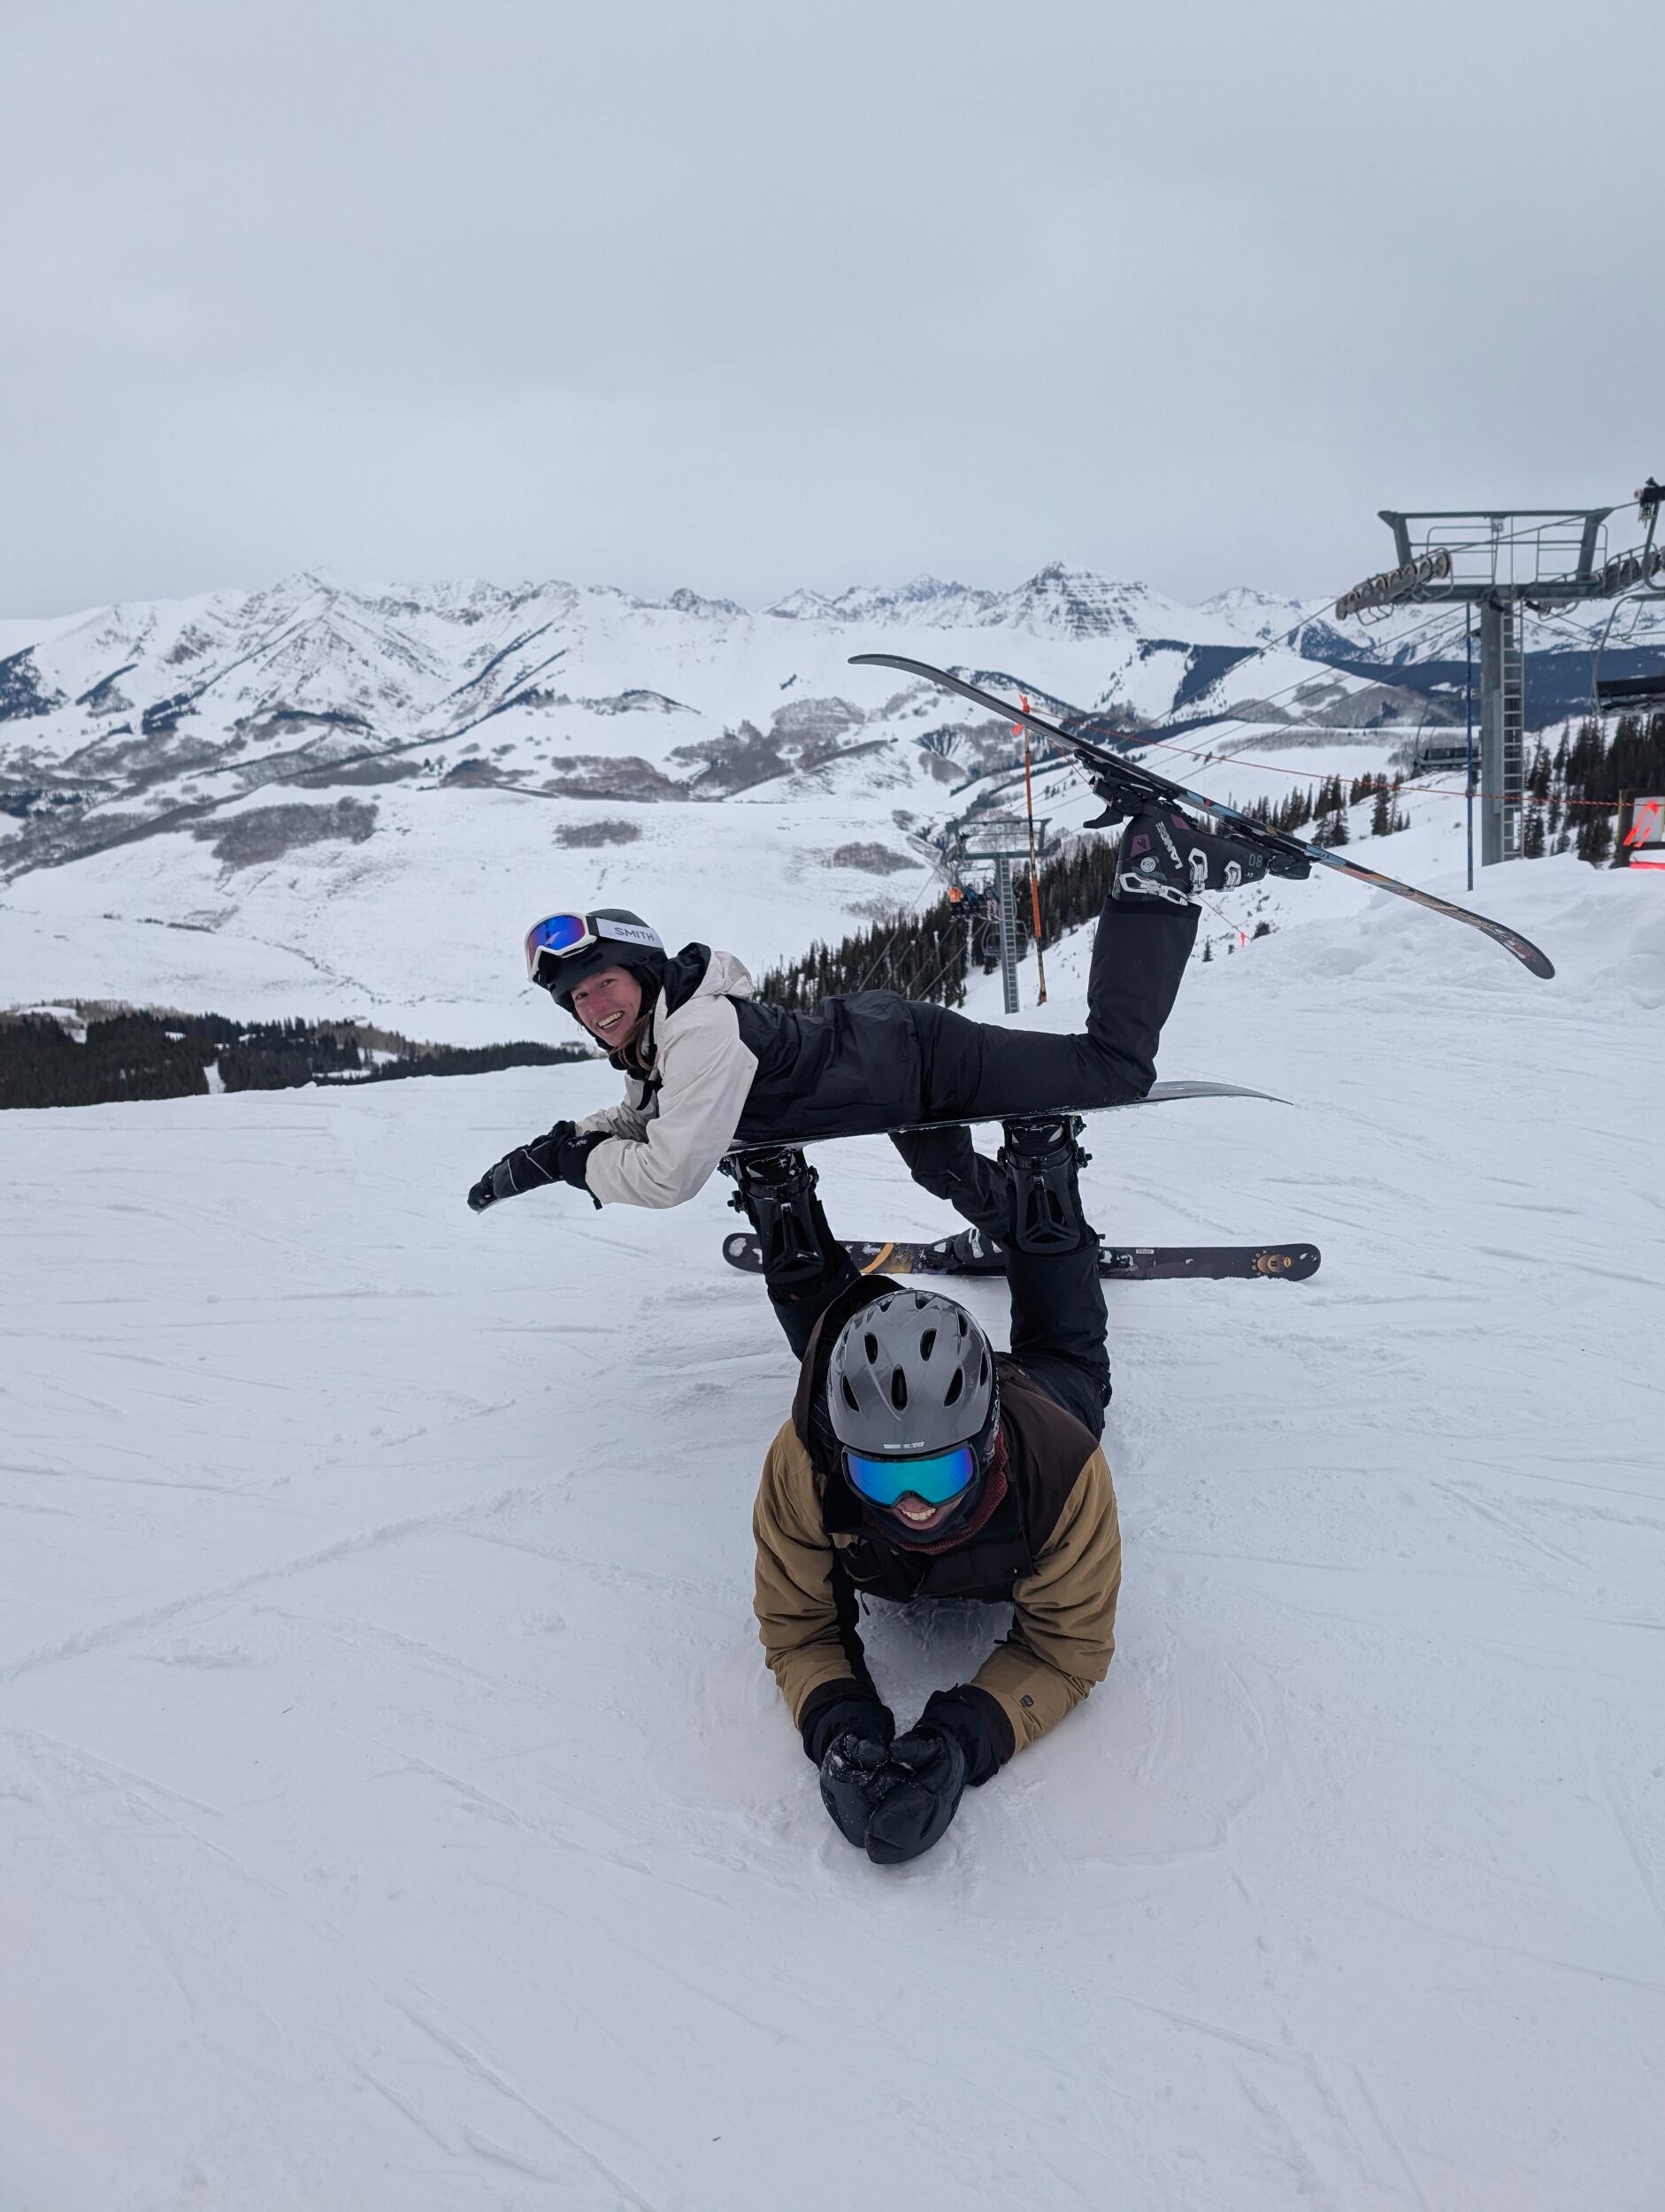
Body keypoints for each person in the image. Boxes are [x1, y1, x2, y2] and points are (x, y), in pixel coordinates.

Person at [464, 803, 1284, 1232]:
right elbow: (648, 1114)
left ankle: (1159, 879)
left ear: (639, 974)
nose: (594, 1005)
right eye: (578, 998)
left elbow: (668, 1173)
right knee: (939, 1168)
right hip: (893, 1077)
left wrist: (575, 1169)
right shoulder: (663, 1036)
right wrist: (564, 1144)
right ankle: (1023, 1235)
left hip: (923, 1059)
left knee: (1115, 1071)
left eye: (603, 983)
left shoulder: (700, 1033)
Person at [751, 1164, 1120, 1866]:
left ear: (985, 1448)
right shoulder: (806, 1464)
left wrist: (965, 1734)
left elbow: (1067, 1650)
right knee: (820, 1346)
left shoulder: (1063, 1470)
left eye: (938, 1472)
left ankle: (1044, 1191)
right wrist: (836, 1720)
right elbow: (797, 1627)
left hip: (1042, 1391)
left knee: (1070, 1355)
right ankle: (785, 1214)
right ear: (842, 1450)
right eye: (879, 1477)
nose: (912, 1504)